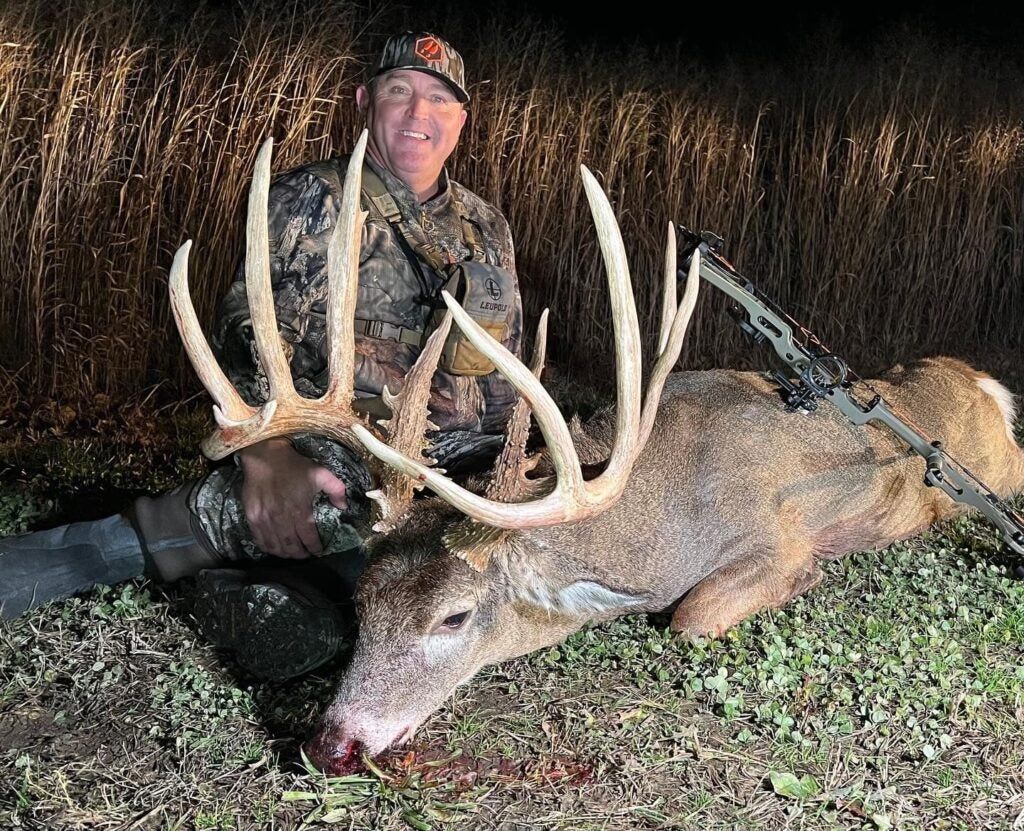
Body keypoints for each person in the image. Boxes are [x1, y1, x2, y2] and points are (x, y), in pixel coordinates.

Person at [0, 32, 523, 680]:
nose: (420, 114)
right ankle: (114, 547)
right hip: (341, 464)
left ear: (461, 119)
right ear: (366, 100)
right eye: (400, 92)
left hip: (456, 479)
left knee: (365, 611)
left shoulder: (485, 225)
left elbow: (509, 373)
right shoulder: (310, 200)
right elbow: (245, 330)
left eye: (440, 99)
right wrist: (266, 458)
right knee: (320, 518)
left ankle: (296, 594)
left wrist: (516, 477)